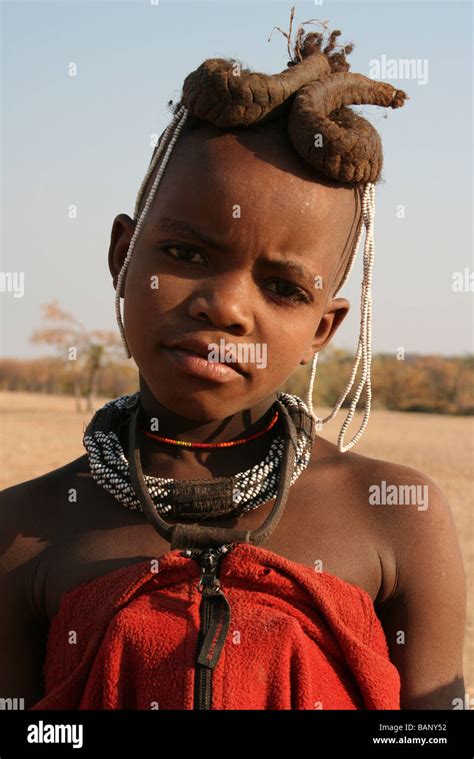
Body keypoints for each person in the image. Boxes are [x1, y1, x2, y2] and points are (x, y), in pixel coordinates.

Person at [0, 22, 466, 711]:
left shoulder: (396, 519)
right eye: (186, 255)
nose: (225, 307)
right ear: (122, 257)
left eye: (282, 288)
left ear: (321, 328)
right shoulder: (22, 532)